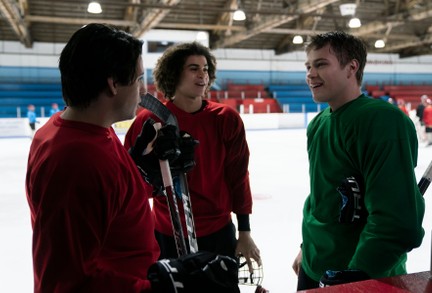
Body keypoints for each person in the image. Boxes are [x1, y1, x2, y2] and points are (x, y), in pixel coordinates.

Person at [25, 23, 164, 292]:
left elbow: (106, 200)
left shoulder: (87, 129)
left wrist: (141, 172)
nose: (144, 91)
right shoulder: (77, 162)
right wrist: (164, 287)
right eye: (138, 79)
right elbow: (65, 283)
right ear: (113, 84)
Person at [292, 31, 425, 290]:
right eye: (308, 66)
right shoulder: (319, 124)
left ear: (351, 67)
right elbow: (322, 200)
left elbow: (397, 221)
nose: (310, 74)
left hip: (361, 274)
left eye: (321, 64)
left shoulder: (382, 121)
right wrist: (306, 249)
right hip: (314, 266)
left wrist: (359, 272)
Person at [124, 42, 262, 271]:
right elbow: (133, 185)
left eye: (206, 69)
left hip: (218, 232)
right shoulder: (148, 121)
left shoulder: (225, 118)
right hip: (167, 233)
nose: (202, 75)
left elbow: (238, 176)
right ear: (175, 72)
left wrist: (244, 231)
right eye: (193, 68)